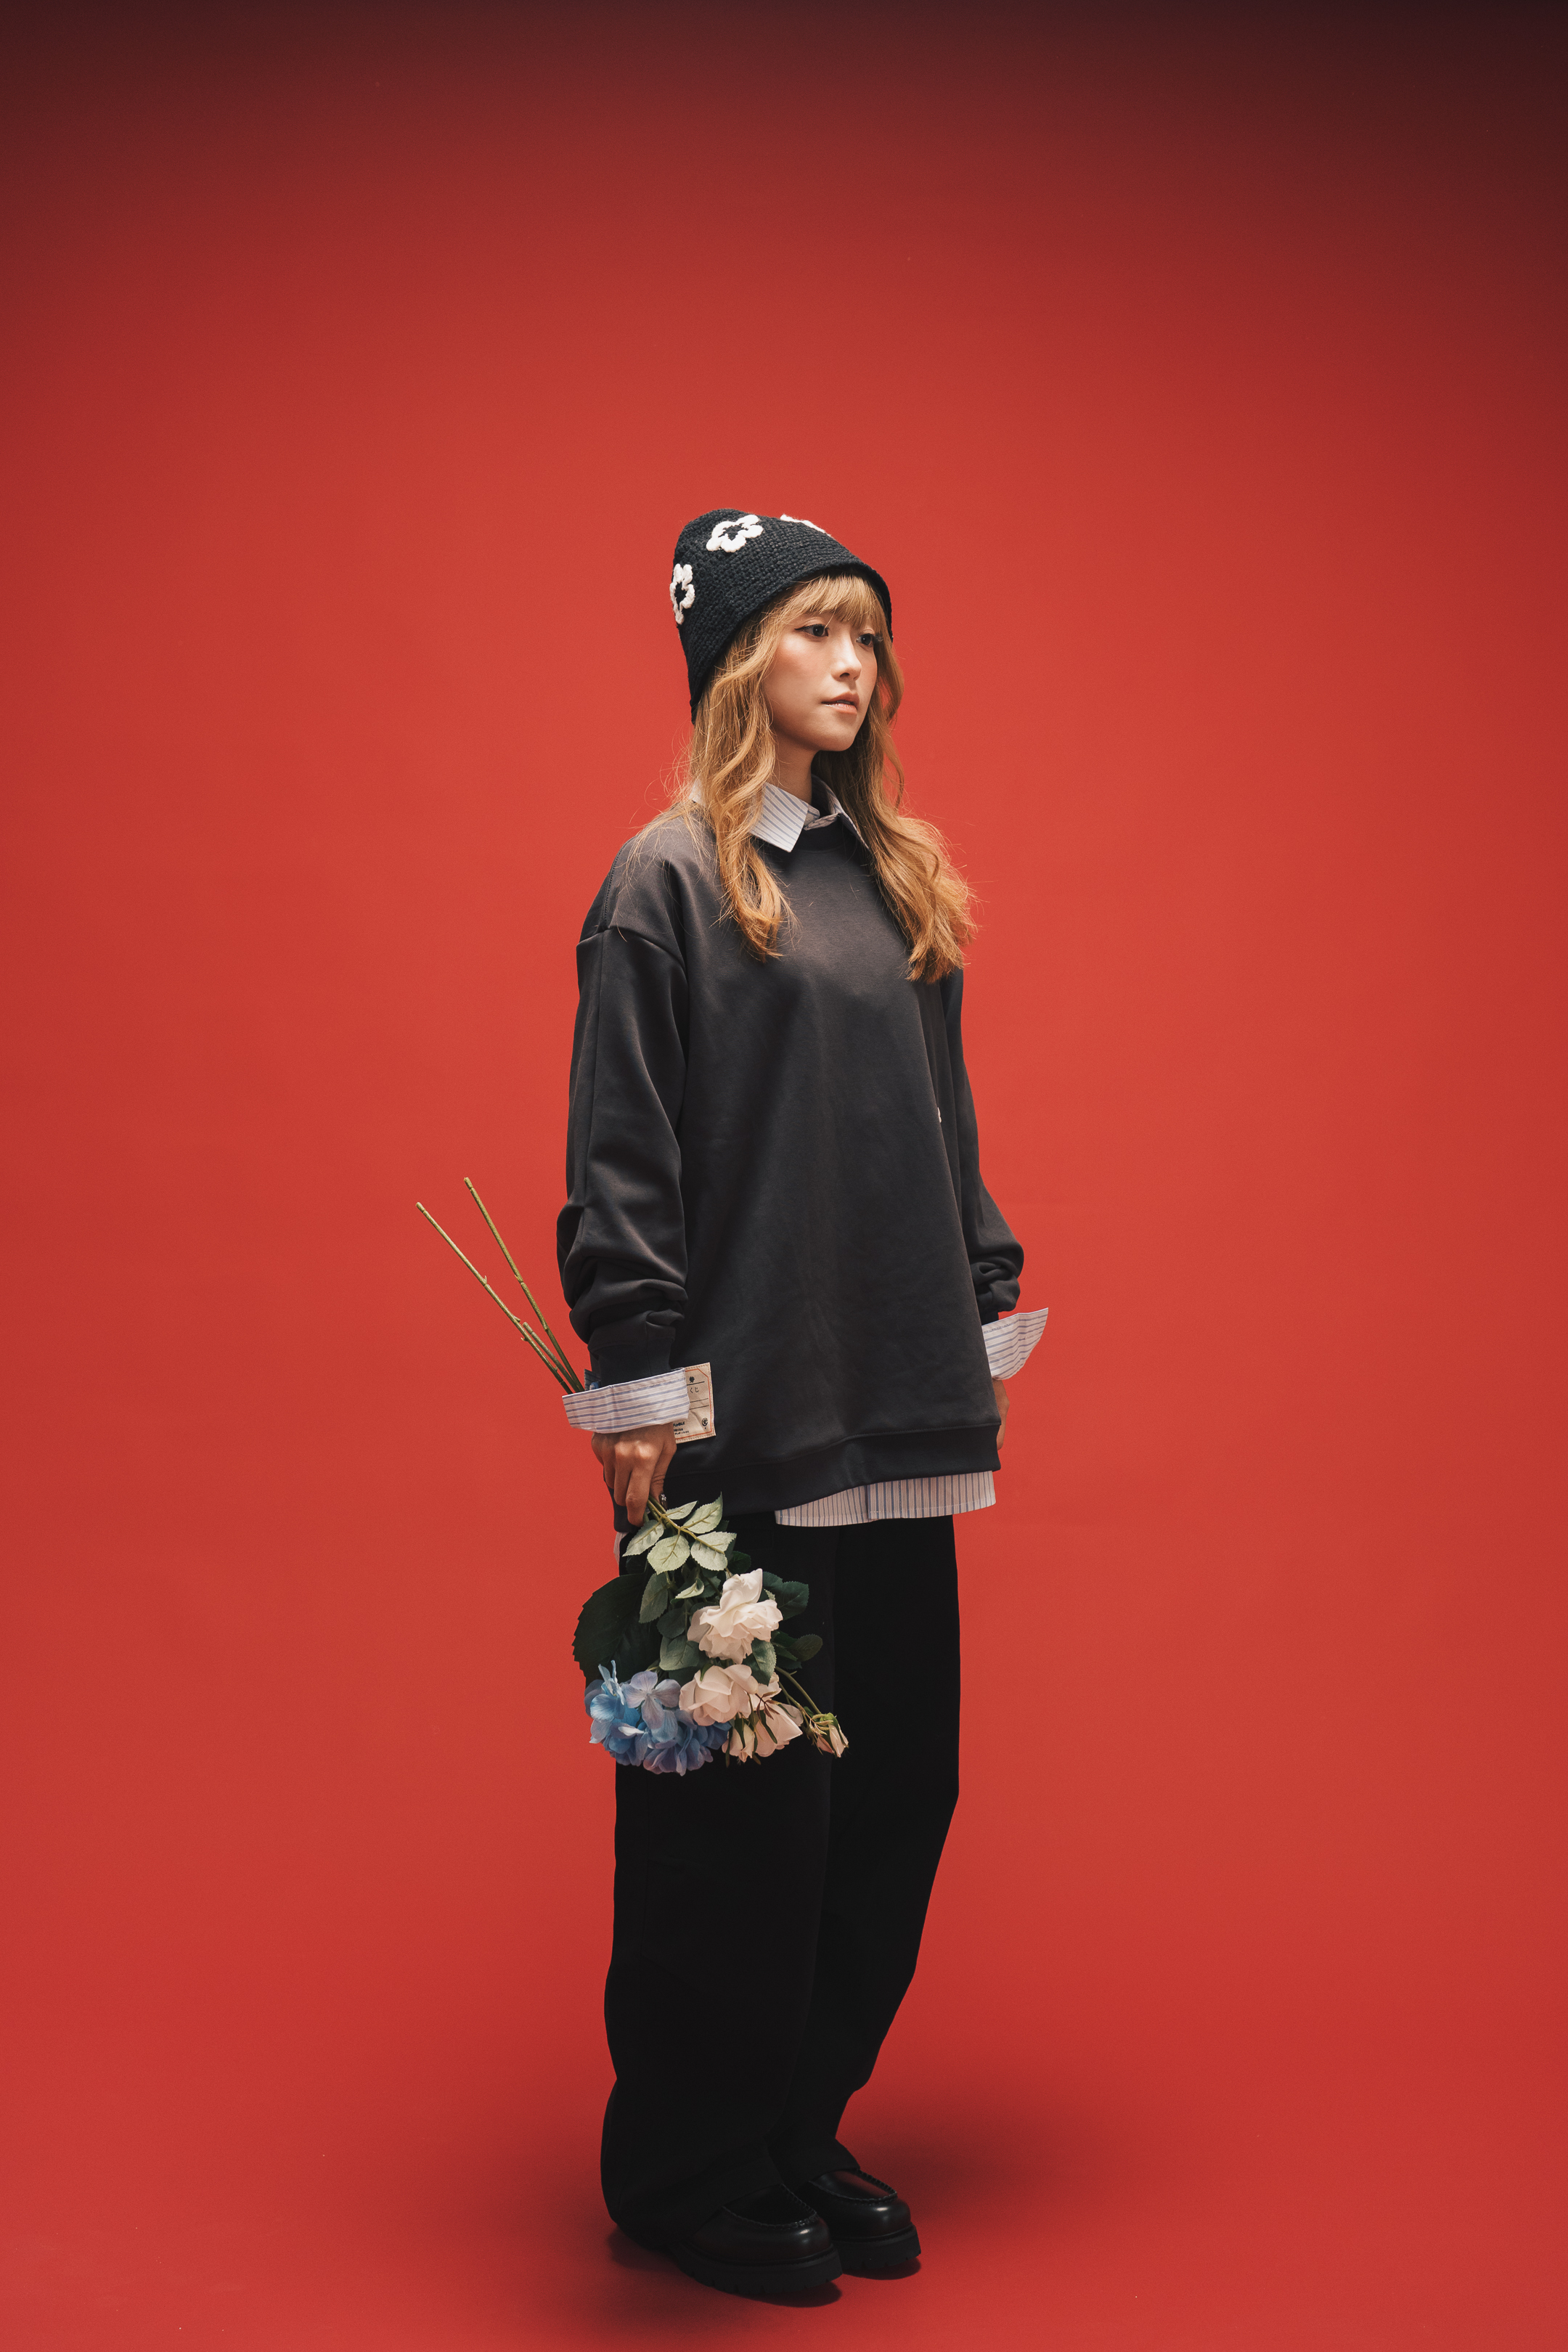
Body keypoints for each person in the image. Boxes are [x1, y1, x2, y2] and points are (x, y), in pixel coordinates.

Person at [555, 510, 1046, 2295]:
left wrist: (980, 1299)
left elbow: (947, 1131)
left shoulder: (894, 875)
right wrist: (639, 1384)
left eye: (867, 637)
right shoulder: (665, 885)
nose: (854, 665)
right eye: (816, 632)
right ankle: (689, 2167)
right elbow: (622, 1159)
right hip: (744, 1421)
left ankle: (795, 2124)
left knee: (894, 1793)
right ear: (733, 660)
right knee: (735, 1823)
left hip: (898, 1408)